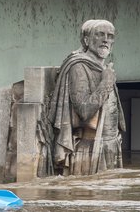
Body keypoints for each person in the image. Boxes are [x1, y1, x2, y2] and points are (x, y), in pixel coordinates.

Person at [45, 20, 125, 176]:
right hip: (90, 149)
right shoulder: (79, 67)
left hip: (111, 145)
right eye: (100, 34)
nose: (105, 40)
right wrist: (107, 83)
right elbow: (84, 111)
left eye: (110, 36)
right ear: (86, 40)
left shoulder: (104, 68)